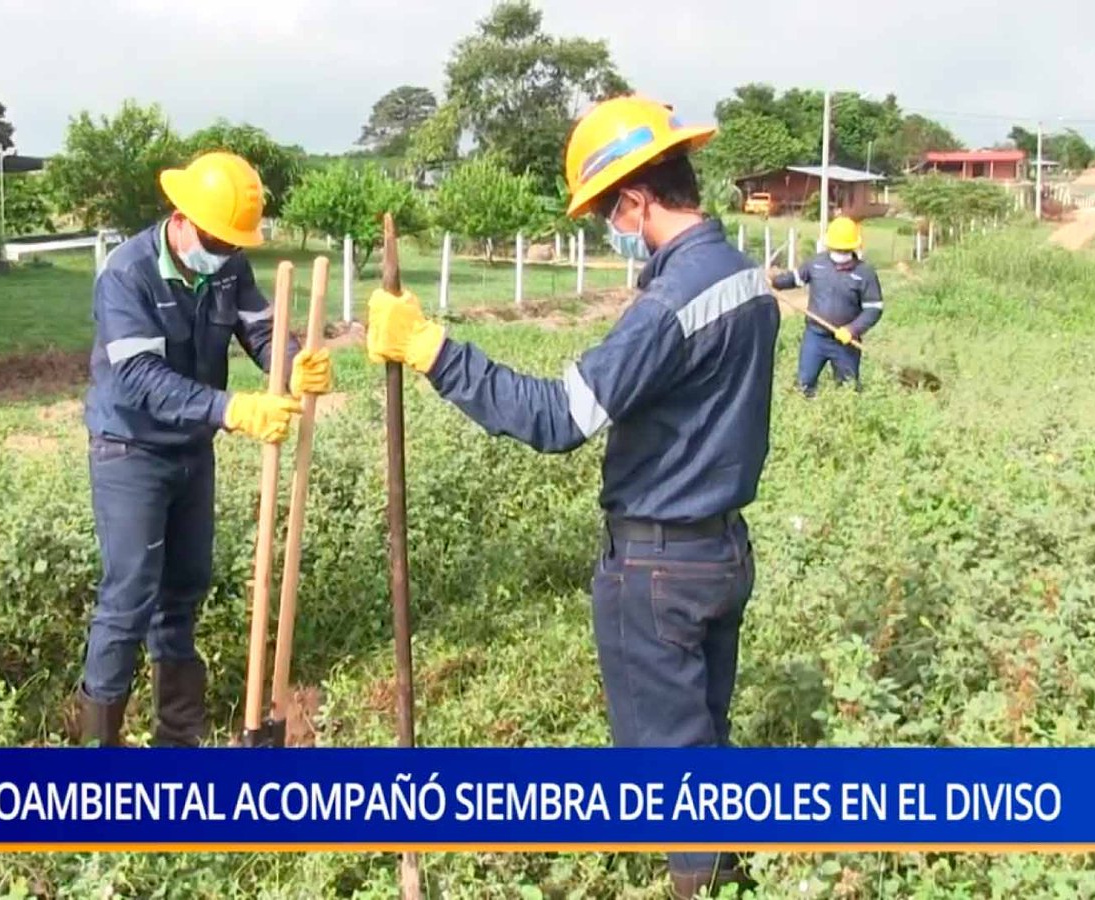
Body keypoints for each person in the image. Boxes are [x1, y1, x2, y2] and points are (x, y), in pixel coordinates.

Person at [364, 96, 779, 897]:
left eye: (606, 214)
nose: (610, 230)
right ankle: (722, 868)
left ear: (636, 201)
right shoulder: (743, 276)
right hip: (723, 552)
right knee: (703, 739)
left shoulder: (667, 304)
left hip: (658, 564)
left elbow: (560, 418)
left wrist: (433, 350)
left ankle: (700, 880)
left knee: (668, 769)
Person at [70, 151, 333, 748]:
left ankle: (177, 737)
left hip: (192, 448)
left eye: (232, 243)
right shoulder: (126, 274)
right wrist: (234, 408)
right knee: (129, 592)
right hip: (130, 449)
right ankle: (96, 756)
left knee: (184, 586)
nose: (223, 251)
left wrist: (292, 367)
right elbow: (138, 377)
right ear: (182, 217)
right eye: (215, 239)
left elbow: (259, 329)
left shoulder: (227, 265)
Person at [770, 216, 883, 395]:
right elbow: (795, 279)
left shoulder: (865, 274)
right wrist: (774, 282)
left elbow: (874, 309)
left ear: (853, 247)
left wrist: (852, 329)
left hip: (846, 342)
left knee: (848, 389)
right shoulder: (816, 264)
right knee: (804, 384)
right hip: (815, 337)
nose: (839, 252)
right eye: (836, 248)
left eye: (843, 248)